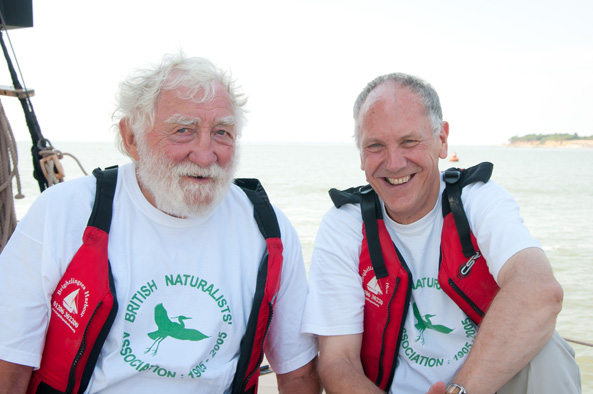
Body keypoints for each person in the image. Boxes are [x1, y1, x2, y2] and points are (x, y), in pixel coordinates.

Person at [0, 53, 320, 394]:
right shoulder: (63, 212)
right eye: (183, 130)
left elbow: (297, 372)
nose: (205, 153)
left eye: (222, 132)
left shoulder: (268, 229)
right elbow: (10, 356)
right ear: (131, 138)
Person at [302, 73, 581, 393]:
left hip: (480, 387)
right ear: (361, 153)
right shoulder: (345, 224)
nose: (394, 163)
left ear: (442, 140)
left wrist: (460, 391)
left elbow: (539, 291)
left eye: (409, 141)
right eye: (375, 145)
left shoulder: (478, 199)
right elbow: (338, 361)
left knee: (549, 352)